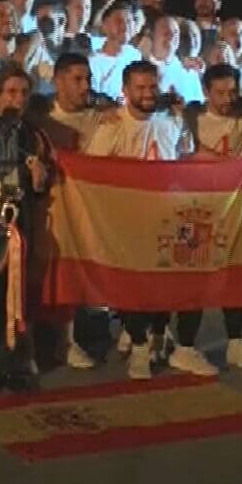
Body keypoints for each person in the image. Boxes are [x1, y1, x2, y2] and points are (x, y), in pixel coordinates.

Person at [86, 61, 199, 379]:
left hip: (166, 214)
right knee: (134, 285)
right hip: (127, 217)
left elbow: (185, 156)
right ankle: (138, 346)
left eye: (153, 86)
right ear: (125, 90)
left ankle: (158, 334)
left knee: (164, 283)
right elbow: (93, 171)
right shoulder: (111, 125)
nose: (148, 93)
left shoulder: (172, 118)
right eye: (140, 87)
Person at [0, 65, 53, 390]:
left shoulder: (31, 136)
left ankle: (11, 359)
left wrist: (40, 180)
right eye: (11, 92)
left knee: (14, 292)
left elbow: (42, 184)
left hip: (20, 220)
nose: (18, 100)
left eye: (24, 93)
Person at [28, 51, 110, 370]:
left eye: (88, 79)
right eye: (77, 79)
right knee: (38, 271)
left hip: (81, 207)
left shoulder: (100, 117)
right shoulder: (39, 114)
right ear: (58, 80)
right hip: (45, 206)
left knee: (72, 269)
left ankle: (68, 341)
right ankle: (29, 344)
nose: (84, 86)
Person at [87, 0, 143, 101]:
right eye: (119, 21)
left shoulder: (135, 55)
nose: (125, 26)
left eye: (129, 21)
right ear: (105, 26)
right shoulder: (93, 62)